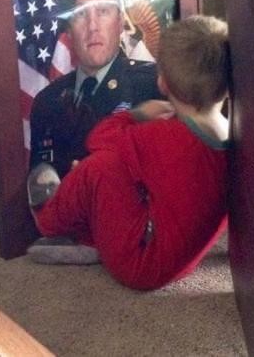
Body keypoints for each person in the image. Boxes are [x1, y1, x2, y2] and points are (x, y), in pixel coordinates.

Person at [28, 15, 231, 290]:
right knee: (124, 170)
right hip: (183, 258)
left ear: (162, 84)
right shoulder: (233, 137)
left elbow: (98, 139)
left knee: (99, 167)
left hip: (141, 264)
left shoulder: (164, 135)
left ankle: (49, 218)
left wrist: (137, 114)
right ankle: (89, 241)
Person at [28, 0, 162, 193]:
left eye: (103, 12)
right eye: (81, 14)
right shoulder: (47, 102)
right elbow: (41, 188)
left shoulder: (152, 87)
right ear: (68, 29)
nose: (93, 26)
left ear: (121, 22)